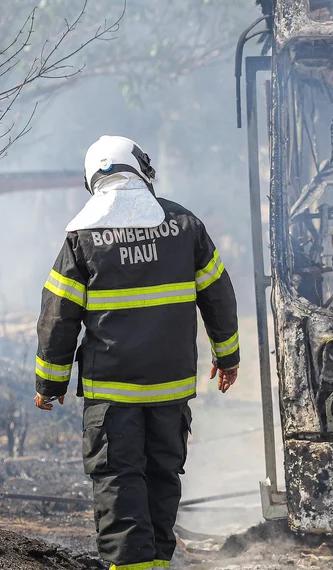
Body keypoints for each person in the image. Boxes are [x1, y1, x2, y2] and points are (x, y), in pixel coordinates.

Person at [34, 136, 241, 570]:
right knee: (163, 476)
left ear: (91, 180)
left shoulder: (82, 236)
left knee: (118, 479)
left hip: (112, 392)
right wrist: (228, 357)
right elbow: (218, 295)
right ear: (142, 170)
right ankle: (157, 563)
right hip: (171, 387)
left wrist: (50, 383)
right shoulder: (185, 225)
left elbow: (59, 315)